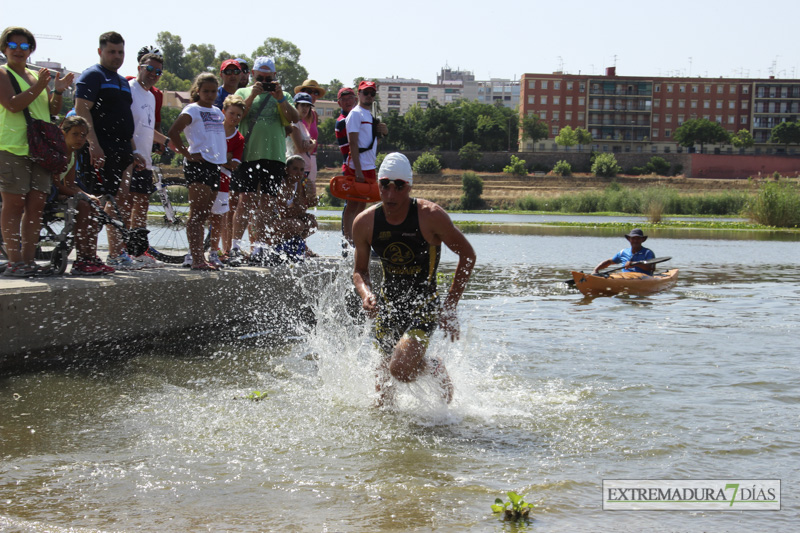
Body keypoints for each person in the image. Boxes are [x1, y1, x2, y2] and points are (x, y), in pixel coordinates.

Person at [352, 153, 476, 406]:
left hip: (423, 304)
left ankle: (434, 367)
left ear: (409, 187)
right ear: (378, 184)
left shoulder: (430, 216)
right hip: (388, 304)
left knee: (399, 368)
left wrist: (450, 306)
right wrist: (366, 295)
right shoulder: (365, 223)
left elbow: (468, 255)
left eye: (399, 186)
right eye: (385, 184)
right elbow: (359, 272)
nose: (391, 193)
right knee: (383, 394)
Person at [0, 26, 73, 278]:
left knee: (36, 205)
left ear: (31, 50)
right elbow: (12, 104)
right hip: (13, 147)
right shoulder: (2, 73)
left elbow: (50, 111)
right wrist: (41, 84)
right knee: (14, 204)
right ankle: (14, 260)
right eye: (13, 45)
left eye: (24, 46)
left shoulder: (35, 76)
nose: (18, 50)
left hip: (40, 150)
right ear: (4, 48)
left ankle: (29, 260)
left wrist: (58, 89)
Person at [74, 31, 139, 270]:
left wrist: (133, 150)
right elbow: (82, 109)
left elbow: (125, 118)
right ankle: (86, 256)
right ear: (100, 51)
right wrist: (93, 144)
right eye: (111, 51)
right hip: (100, 147)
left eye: (120, 52)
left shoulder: (122, 81)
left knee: (120, 201)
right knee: (95, 202)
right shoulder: (93, 75)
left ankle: (116, 254)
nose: (117, 56)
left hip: (122, 148)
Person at [230, 56, 299, 264]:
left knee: (267, 204)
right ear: (252, 74)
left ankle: (258, 247)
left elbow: (294, 118)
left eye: (268, 78)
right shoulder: (242, 92)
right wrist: (252, 94)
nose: (264, 81)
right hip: (249, 154)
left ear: (275, 77)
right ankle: (234, 246)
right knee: (245, 201)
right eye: (260, 77)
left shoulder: (283, 94)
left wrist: (280, 98)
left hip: (275, 157)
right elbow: (237, 117)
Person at [167, 73, 227, 271]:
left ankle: (200, 257)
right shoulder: (192, 109)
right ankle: (196, 258)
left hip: (214, 165)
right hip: (198, 164)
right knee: (197, 214)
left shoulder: (218, 112)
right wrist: (187, 153)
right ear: (198, 91)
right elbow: (174, 131)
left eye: (213, 91)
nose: (210, 95)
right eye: (206, 91)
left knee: (205, 215)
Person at [51, 116, 114, 275]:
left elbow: (70, 184)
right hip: (48, 192)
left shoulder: (73, 154)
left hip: (59, 191)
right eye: (75, 134)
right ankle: (81, 260)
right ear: (64, 133)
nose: (80, 138)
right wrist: (83, 197)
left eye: (83, 135)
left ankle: (90, 256)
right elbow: (57, 184)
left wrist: (89, 195)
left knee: (92, 205)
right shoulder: (58, 151)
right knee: (84, 205)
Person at [126, 52, 168, 267]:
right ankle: (120, 252)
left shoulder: (151, 96)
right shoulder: (129, 89)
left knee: (141, 204)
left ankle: (138, 251)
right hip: (129, 157)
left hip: (145, 158)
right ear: (139, 66)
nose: (153, 74)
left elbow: (147, 128)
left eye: (157, 71)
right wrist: (132, 152)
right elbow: (126, 125)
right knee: (125, 204)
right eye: (149, 69)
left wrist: (168, 142)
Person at [342, 80, 388, 244]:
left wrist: (383, 130)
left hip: (369, 165)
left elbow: (370, 141)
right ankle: (348, 240)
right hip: (357, 166)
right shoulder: (355, 114)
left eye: (371, 93)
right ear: (359, 94)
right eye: (365, 93)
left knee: (362, 205)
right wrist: (358, 170)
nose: (368, 96)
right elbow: (353, 143)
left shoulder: (370, 115)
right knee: (353, 204)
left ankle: (357, 238)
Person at [208, 94, 245, 268]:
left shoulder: (239, 139)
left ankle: (216, 251)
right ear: (224, 112)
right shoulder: (214, 129)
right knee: (201, 214)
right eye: (232, 113)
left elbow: (234, 164)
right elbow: (207, 151)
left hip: (224, 179)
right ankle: (195, 251)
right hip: (207, 176)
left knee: (219, 217)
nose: (235, 118)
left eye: (238, 115)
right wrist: (224, 157)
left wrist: (221, 159)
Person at [286, 91, 317, 202]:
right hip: (295, 167)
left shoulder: (302, 124)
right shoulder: (294, 124)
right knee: (297, 200)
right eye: (302, 105)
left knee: (305, 199)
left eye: (308, 106)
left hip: (304, 168)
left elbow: (306, 145)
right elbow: (300, 147)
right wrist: (312, 144)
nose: (305, 108)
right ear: (296, 106)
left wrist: (310, 144)